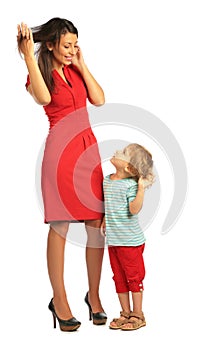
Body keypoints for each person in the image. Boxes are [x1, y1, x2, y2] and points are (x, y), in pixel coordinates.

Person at [17, 17, 107, 332]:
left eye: (74, 45)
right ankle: (60, 300)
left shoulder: (75, 70)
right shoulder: (38, 74)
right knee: (60, 225)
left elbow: (98, 99)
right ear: (51, 44)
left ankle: (94, 298)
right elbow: (43, 98)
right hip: (61, 155)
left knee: (97, 223)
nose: (71, 50)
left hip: (88, 150)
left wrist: (82, 64)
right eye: (66, 45)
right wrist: (28, 55)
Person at [101, 143, 155, 331]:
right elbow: (109, 204)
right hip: (114, 241)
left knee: (133, 278)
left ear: (129, 168)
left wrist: (140, 188)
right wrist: (105, 219)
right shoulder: (107, 181)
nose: (117, 151)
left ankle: (138, 314)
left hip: (130, 243)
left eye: (123, 153)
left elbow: (134, 209)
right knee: (119, 278)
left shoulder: (131, 185)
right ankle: (125, 312)